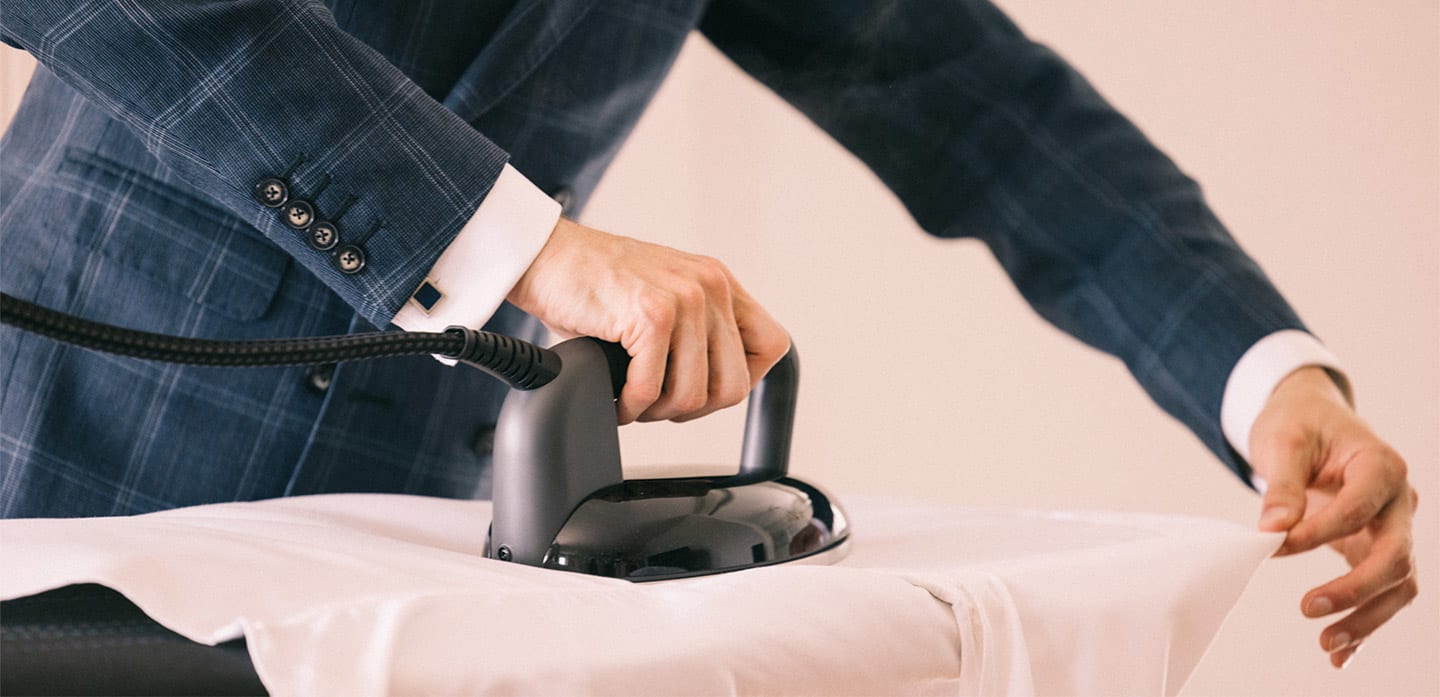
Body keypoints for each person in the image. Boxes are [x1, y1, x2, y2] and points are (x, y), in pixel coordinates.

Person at [0, 0, 1415, 669]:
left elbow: (983, 111)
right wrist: (521, 248)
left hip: (402, 556)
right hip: (59, 441)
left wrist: (1268, 376)